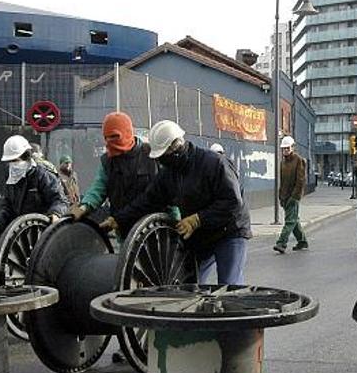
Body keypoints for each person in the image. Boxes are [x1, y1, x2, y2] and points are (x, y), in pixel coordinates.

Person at [100, 120, 251, 284]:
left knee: (229, 285)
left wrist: (197, 219)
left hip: (229, 231)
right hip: (202, 236)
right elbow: (148, 200)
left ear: (176, 147)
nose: (160, 162)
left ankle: (231, 305)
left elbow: (233, 203)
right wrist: (119, 218)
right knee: (189, 284)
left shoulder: (214, 163)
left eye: (163, 156)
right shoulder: (169, 174)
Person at [72, 112, 178, 238]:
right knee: (126, 257)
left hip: (157, 231)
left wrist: (175, 222)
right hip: (124, 230)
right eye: (107, 138)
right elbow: (98, 188)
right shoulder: (108, 162)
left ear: (128, 132)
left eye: (115, 136)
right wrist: (84, 207)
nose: (110, 141)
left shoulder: (152, 155)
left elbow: (170, 193)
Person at [0, 135, 68, 231]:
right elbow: (7, 206)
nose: (13, 165)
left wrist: (55, 213)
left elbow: (60, 200)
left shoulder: (42, 174)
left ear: (26, 157)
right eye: (10, 161)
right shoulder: (10, 177)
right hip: (20, 232)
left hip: (41, 231)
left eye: (15, 160)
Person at [274, 136, 308, 254]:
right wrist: (281, 196)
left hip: (293, 197)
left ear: (293, 147)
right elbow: (282, 181)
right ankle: (302, 241)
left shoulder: (299, 160)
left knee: (289, 221)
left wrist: (295, 197)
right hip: (285, 196)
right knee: (294, 220)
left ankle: (281, 243)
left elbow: (301, 181)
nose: (285, 151)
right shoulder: (283, 162)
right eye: (284, 149)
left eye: (287, 148)